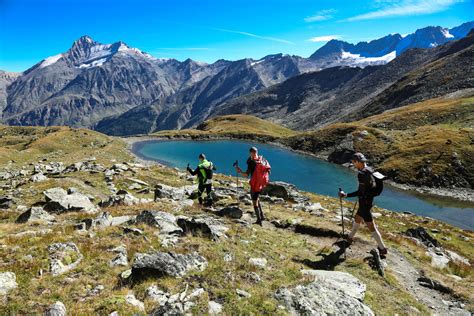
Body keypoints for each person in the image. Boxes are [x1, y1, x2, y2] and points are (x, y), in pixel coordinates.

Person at [339, 152, 388, 258]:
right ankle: (350, 237)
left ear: (358, 162)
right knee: (357, 218)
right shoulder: (370, 170)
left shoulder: (361, 174)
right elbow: (369, 188)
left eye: (353, 162)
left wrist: (346, 194)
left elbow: (360, 192)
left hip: (364, 202)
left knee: (371, 226)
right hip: (368, 200)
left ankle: (382, 248)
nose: (353, 164)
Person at [235, 146, 270, 226]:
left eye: (250, 153)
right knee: (257, 198)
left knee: (254, 201)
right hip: (262, 184)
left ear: (251, 153)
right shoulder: (262, 159)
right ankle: (262, 215)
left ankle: (259, 220)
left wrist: (239, 171)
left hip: (255, 184)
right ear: (256, 152)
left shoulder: (251, 162)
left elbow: (246, 174)